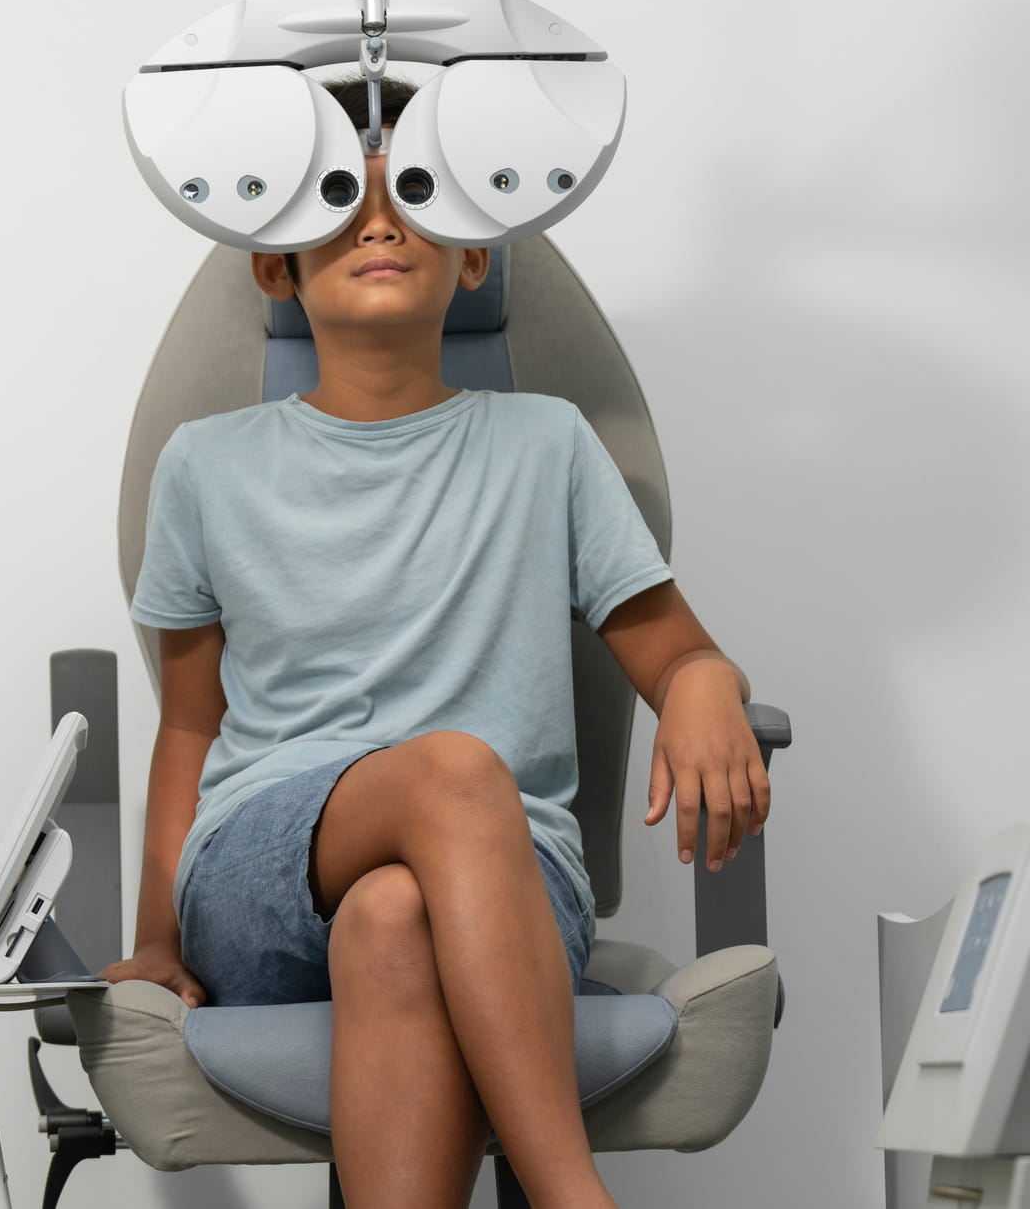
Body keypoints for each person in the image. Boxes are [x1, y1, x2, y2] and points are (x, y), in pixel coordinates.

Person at [101, 81, 773, 1208]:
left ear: (474, 257)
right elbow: (188, 726)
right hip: (260, 871)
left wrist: (706, 681)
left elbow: (676, 654)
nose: (378, 223)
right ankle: (572, 1193)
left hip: (512, 877)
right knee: (455, 769)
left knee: (393, 914)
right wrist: (155, 941)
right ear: (273, 266)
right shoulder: (205, 463)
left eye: (413, 196)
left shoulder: (546, 443)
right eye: (339, 202)